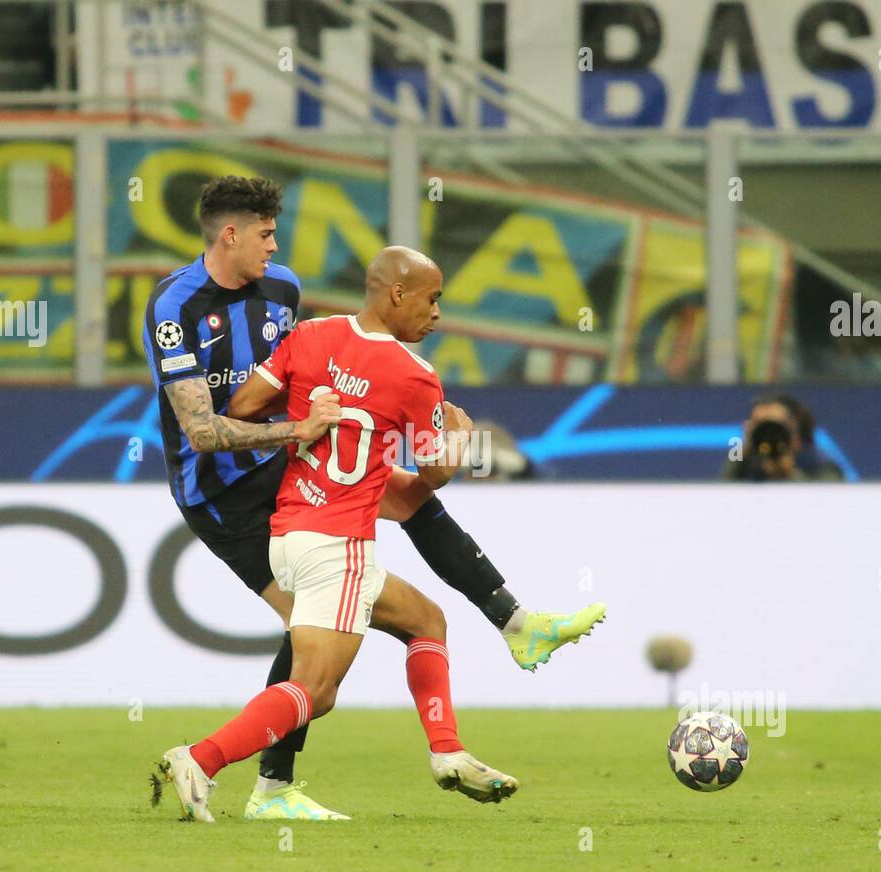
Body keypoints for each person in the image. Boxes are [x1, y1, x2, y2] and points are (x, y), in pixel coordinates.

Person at [143, 176, 604, 821]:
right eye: (266, 234)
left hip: (293, 471)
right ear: (231, 234)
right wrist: (305, 427)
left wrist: (331, 416)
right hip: (223, 492)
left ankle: (515, 623)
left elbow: (310, 373)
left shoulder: (285, 294)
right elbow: (203, 430)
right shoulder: (176, 307)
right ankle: (260, 782)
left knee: (413, 517)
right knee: (314, 670)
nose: (275, 247)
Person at [721, 393, 843, 482]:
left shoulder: (821, 464)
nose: (769, 434)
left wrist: (789, 475)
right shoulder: (745, 459)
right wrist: (742, 450)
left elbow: (826, 506)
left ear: (796, 432)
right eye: (760, 425)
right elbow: (720, 497)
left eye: (775, 426)